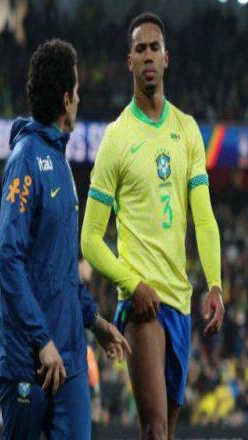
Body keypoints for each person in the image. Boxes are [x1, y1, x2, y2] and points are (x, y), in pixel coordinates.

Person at [81, 12, 224, 440]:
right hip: (143, 306)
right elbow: (89, 239)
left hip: (180, 302)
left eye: (154, 48)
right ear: (129, 61)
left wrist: (215, 284)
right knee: (157, 430)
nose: (147, 56)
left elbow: (204, 216)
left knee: (165, 432)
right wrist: (133, 285)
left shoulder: (187, 130)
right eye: (139, 49)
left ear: (166, 58)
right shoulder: (116, 138)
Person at [0, 39, 131, 439]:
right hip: (28, 361)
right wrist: (41, 341)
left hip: (69, 360)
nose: (80, 98)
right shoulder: (25, 160)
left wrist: (94, 321)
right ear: (66, 98)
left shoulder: (59, 161)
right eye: (77, 89)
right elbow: (8, 259)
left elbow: (62, 268)